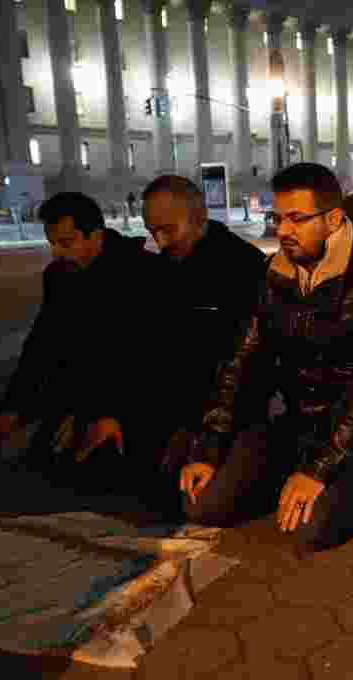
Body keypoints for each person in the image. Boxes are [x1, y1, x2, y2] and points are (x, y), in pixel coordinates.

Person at [178, 163, 353, 555]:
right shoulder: (273, 274)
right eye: (278, 218)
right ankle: (290, 482)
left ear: (333, 219)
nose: (283, 230)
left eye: (297, 219)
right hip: (301, 422)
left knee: (308, 530)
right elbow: (240, 362)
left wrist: (319, 468)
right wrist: (210, 448)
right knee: (202, 502)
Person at [0, 192, 166, 498]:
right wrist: (14, 405)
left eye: (66, 242)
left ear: (95, 236)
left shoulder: (142, 273)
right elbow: (41, 345)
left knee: (102, 472)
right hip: (79, 394)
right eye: (52, 243)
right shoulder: (59, 276)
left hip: (134, 398)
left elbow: (145, 359)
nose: (56, 252)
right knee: (36, 458)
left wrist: (111, 415)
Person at [140, 175, 269, 475]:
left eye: (168, 230)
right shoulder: (161, 270)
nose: (160, 242)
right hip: (170, 412)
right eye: (152, 231)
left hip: (228, 415)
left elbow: (244, 368)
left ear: (200, 218)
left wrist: (197, 433)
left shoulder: (244, 267)